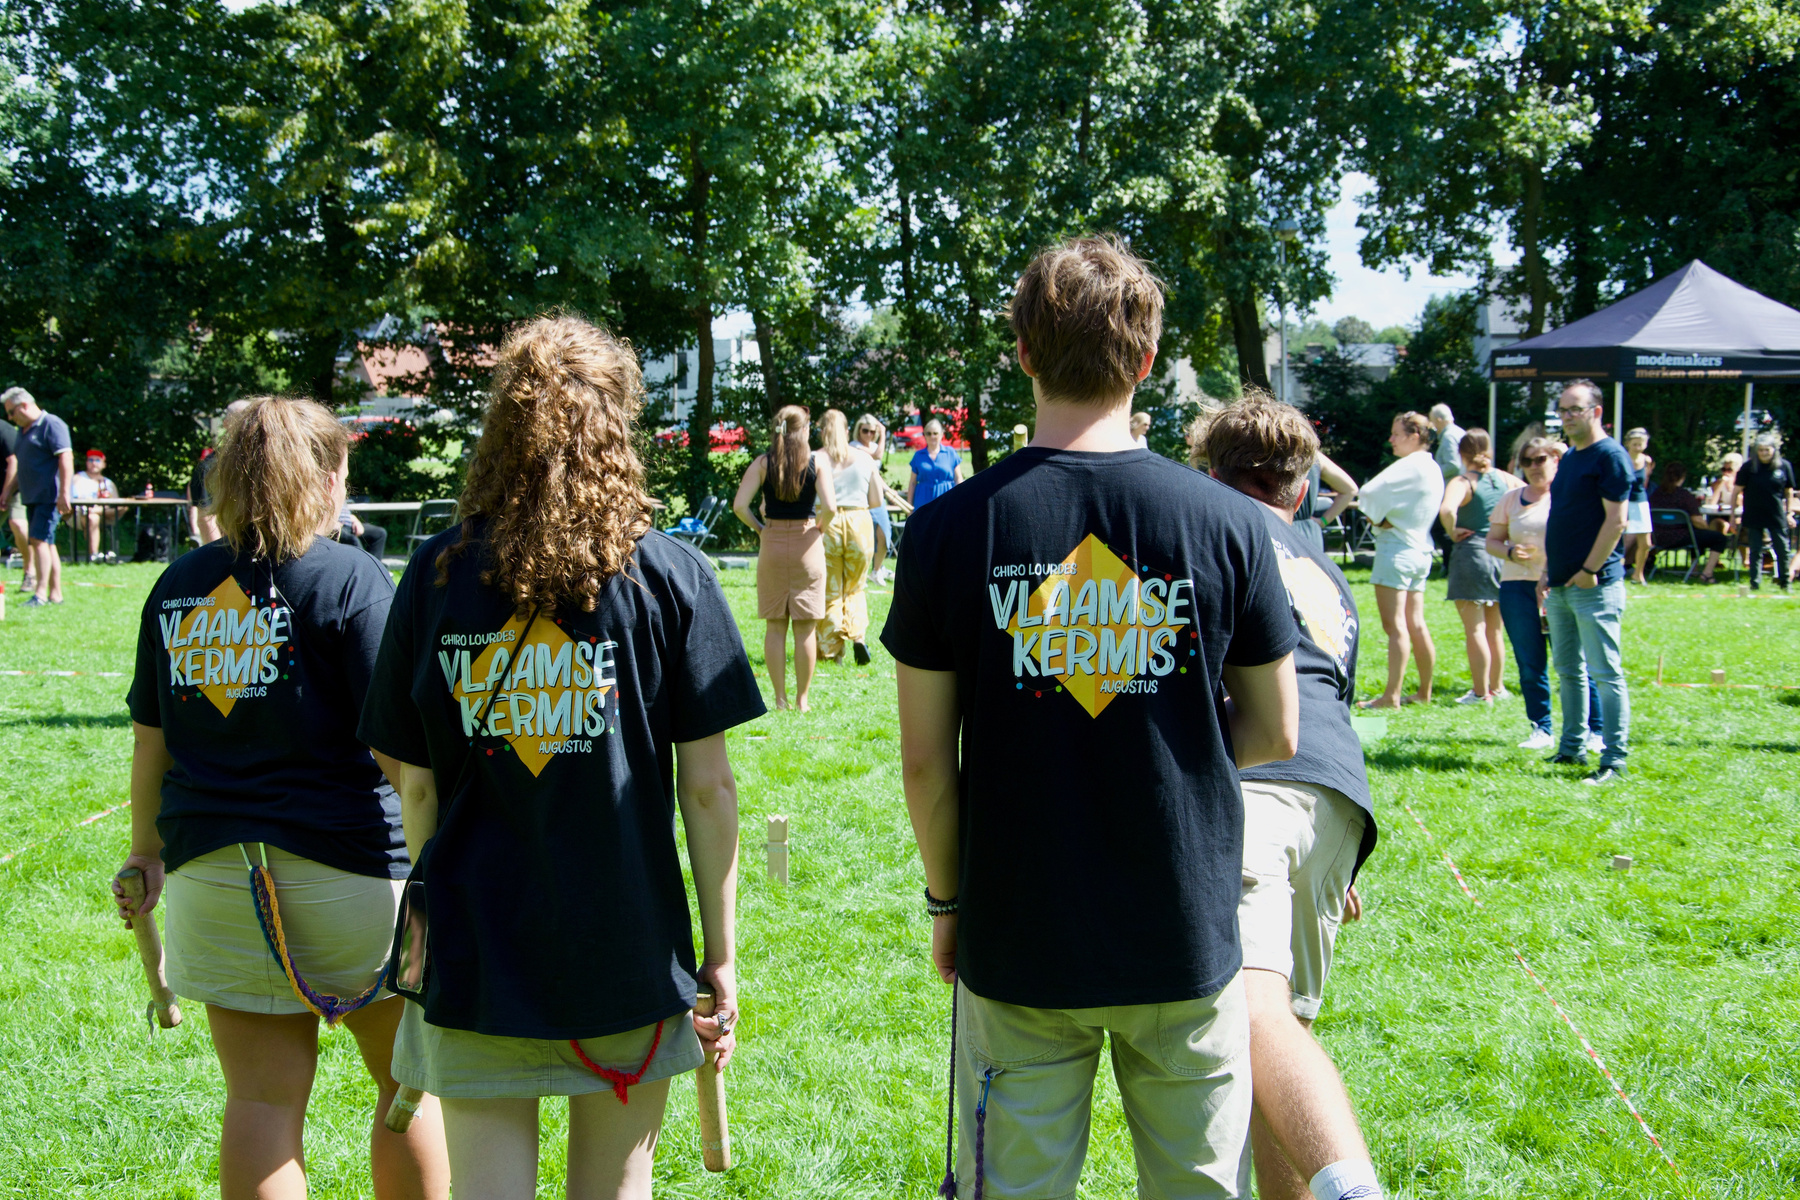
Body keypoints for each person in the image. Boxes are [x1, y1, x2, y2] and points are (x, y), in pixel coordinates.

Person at [884, 236, 1300, 1200]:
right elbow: (1279, 731)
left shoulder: (950, 529)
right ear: (1147, 361)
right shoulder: (1230, 522)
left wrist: (948, 904)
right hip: (1184, 925)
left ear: (1022, 354)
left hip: (1019, 929)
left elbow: (923, 764)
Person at [357, 314, 762, 1197]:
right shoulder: (672, 576)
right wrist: (720, 954)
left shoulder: (434, 575)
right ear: (620, 423)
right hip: (625, 950)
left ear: (503, 426)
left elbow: (413, 785)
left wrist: (431, 895)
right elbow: (708, 791)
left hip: (476, 949)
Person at [112, 395, 449, 1200]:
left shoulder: (177, 585)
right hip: (355, 875)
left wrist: (145, 854)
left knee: (259, 1101)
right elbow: (401, 755)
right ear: (331, 477)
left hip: (211, 877)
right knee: (409, 1091)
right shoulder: (354, 577)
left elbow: (150, 744)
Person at [1201, 396, 1385, 1200]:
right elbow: (1331, 691)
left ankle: (1354, 1191)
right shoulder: (1324, 570)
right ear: (1301, 484)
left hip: (1257, 787)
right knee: (1280, 1034)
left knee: (1252, 1018)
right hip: (1337, 803)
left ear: (1211, 470)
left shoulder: (1204, 533)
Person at [1539, 380, 1632, 785]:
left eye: (1574, 409)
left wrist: (1590, 570)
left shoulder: (1610, 456)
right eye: (1562, 410)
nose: (1567, 416)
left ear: (1596, 411)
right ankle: (1571, 747)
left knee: (1605, 673)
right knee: (1569, 671)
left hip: (1594, 585)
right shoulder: (1572, 457)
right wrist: (1548, 570)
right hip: (1560, 583)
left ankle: (1613, 759)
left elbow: (1618, 520)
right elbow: (1563, 517)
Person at [1486, 438, 1604, 752]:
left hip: (1560, 586)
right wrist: (1510, 551)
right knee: (1529, 662)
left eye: (1541, 459)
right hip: (1517, 588)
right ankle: (1542, 728)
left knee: (1577, 662)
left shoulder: (1568, 496)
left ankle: (1595, 730)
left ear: (1555, 460)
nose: (1535, 467)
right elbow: (1492, 542)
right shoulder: (1511, 499)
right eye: (1528, 461)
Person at [733, 404, 838, 711]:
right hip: (808, 544)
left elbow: (740, 505)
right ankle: (802, 701)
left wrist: (760, 528)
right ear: (803, 430)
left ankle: (780, 701)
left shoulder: (763, 463)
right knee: (805, 627)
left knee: (775, 626)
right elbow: (830, 507)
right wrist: (819, 528)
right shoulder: (817, 462)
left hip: (773, 544)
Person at [1356, 412, 1444, 708]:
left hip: (1397, 550)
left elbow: (1367, 492)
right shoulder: (1432, 467)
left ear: (1415, 435)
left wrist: (1378, 520)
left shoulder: (1410, 465)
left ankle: (1391, 696)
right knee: (1416, 623)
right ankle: (1424, 692)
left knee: (1395, 627)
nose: (1391, 439)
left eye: (1396, 434)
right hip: (1421, 551)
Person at [1440, 429, 1521, 704]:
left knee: (1475, 629)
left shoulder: (1463, 481)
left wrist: (1452, 532)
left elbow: (1447, 510)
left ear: (1462, 454)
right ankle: (1497, 688)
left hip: (1472, 555)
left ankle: (1479, 691)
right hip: (1501, 556)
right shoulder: (1507, 479)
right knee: (1495, 629)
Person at [818, 408, 882, 665]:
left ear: (822, 431)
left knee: (831, 588)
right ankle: (857, 637)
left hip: (827, 522)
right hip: (859, 521)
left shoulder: (815, 458)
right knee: (856, 586)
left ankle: (832, 652)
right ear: (847, 431)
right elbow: (876, 500)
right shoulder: (864, 458)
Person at [2, 387, 73, 606]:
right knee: (47, 544)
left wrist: (64, 493)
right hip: (31, 496)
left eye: (12, 412)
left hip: (48, 496)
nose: (10, 418)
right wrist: (7, 491)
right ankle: (55, 594)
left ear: (24, 405)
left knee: (39, 542)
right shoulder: (24, 432)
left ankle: (40, 594)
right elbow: (21, 467)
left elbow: (65, 458)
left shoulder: (51, 424)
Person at [1735, 433, 1795, 592]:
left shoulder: (1784, 466)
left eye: (1767, 450)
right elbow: (1736, 491)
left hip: (1776, 514)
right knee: (1755, 550)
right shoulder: (1748, 467)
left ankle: (1785, 582)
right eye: (1760, 450)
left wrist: (1789, 513)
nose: (1763, 453)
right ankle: (1754, 584)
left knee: (1783, 550)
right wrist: (1733, 515)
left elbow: (1789, 492)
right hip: (1754, 514)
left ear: (1774, 450)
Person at [1648, 462, 1726, 583]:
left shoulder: (1655, 494)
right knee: (1718, 538)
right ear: (1682, 477)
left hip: (1657, 537)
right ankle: (1707, 573)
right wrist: (1707, 529)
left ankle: (1694, 569)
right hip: (1680, 537)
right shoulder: (1684, 496)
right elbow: (1697, 521)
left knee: (1696, 533)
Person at [855, 413, 909, 586]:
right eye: (865, 431)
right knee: (862, 538)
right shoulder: (854, 447)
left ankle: (877, 571)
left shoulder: (871, 445)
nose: (869, 435)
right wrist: (883, 432)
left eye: (872, 431)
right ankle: (860, 575)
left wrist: (887, 489)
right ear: (858, 430)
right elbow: (877, 456)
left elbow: (875, 474)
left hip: (877, 497)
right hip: (860, 498)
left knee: (885, 533)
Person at [1292, 451, 1358, 555]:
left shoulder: (1266, 449)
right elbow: (1350, 489)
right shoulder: (1312, 453)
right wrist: (1323, 521)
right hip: (1310, 533)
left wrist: (1323, 521)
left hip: (1279, 530)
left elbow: (1351, 490)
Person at [71, 449, 121, 561]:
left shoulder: (108, 483)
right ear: (86, 463)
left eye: (97, 460)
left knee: (123, 508)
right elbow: (74, 499)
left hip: (105, 514)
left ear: (104, 464)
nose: (94, 463)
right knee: (92, 518)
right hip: (81, 514)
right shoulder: (78, 478)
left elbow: (117, 503)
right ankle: (94, 555)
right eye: (91, 460)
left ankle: (109, 554)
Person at [906, 417, 966, 508]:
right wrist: (909, 506)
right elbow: (912, 483)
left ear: (941, 434)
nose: (932, 437)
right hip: (923, 500)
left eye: (935, 433)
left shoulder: (950, 453)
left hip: (946, 499)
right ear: (924, 435)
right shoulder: (918, 455)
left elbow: (958, 479)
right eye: (928, 433)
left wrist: (962, 500)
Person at [1622, 428, 1655, 585]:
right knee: (1620, 540)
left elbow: (1645, 482)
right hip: (1623, 501)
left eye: (1640, 444)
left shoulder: (1647, 461)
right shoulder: (1622, 458)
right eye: (1634, 444)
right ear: (1628, 444)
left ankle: (1638, 574)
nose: (1637, 447)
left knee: (1646, 543)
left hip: (1641, 502)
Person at [0, 416, 30, 585]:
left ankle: (29, 571)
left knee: (18, 524)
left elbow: (14, 461)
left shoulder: (3, 429)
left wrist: (6, 492)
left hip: (16, 485)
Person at [1429, 404, 1464, 481]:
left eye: (1432, 421)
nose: (1432, 427)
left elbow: (1453, 465)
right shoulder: (1460, 432)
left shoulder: (1448, 437)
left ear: (1439, 420)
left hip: (1454, 486)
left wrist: (1432, 473)